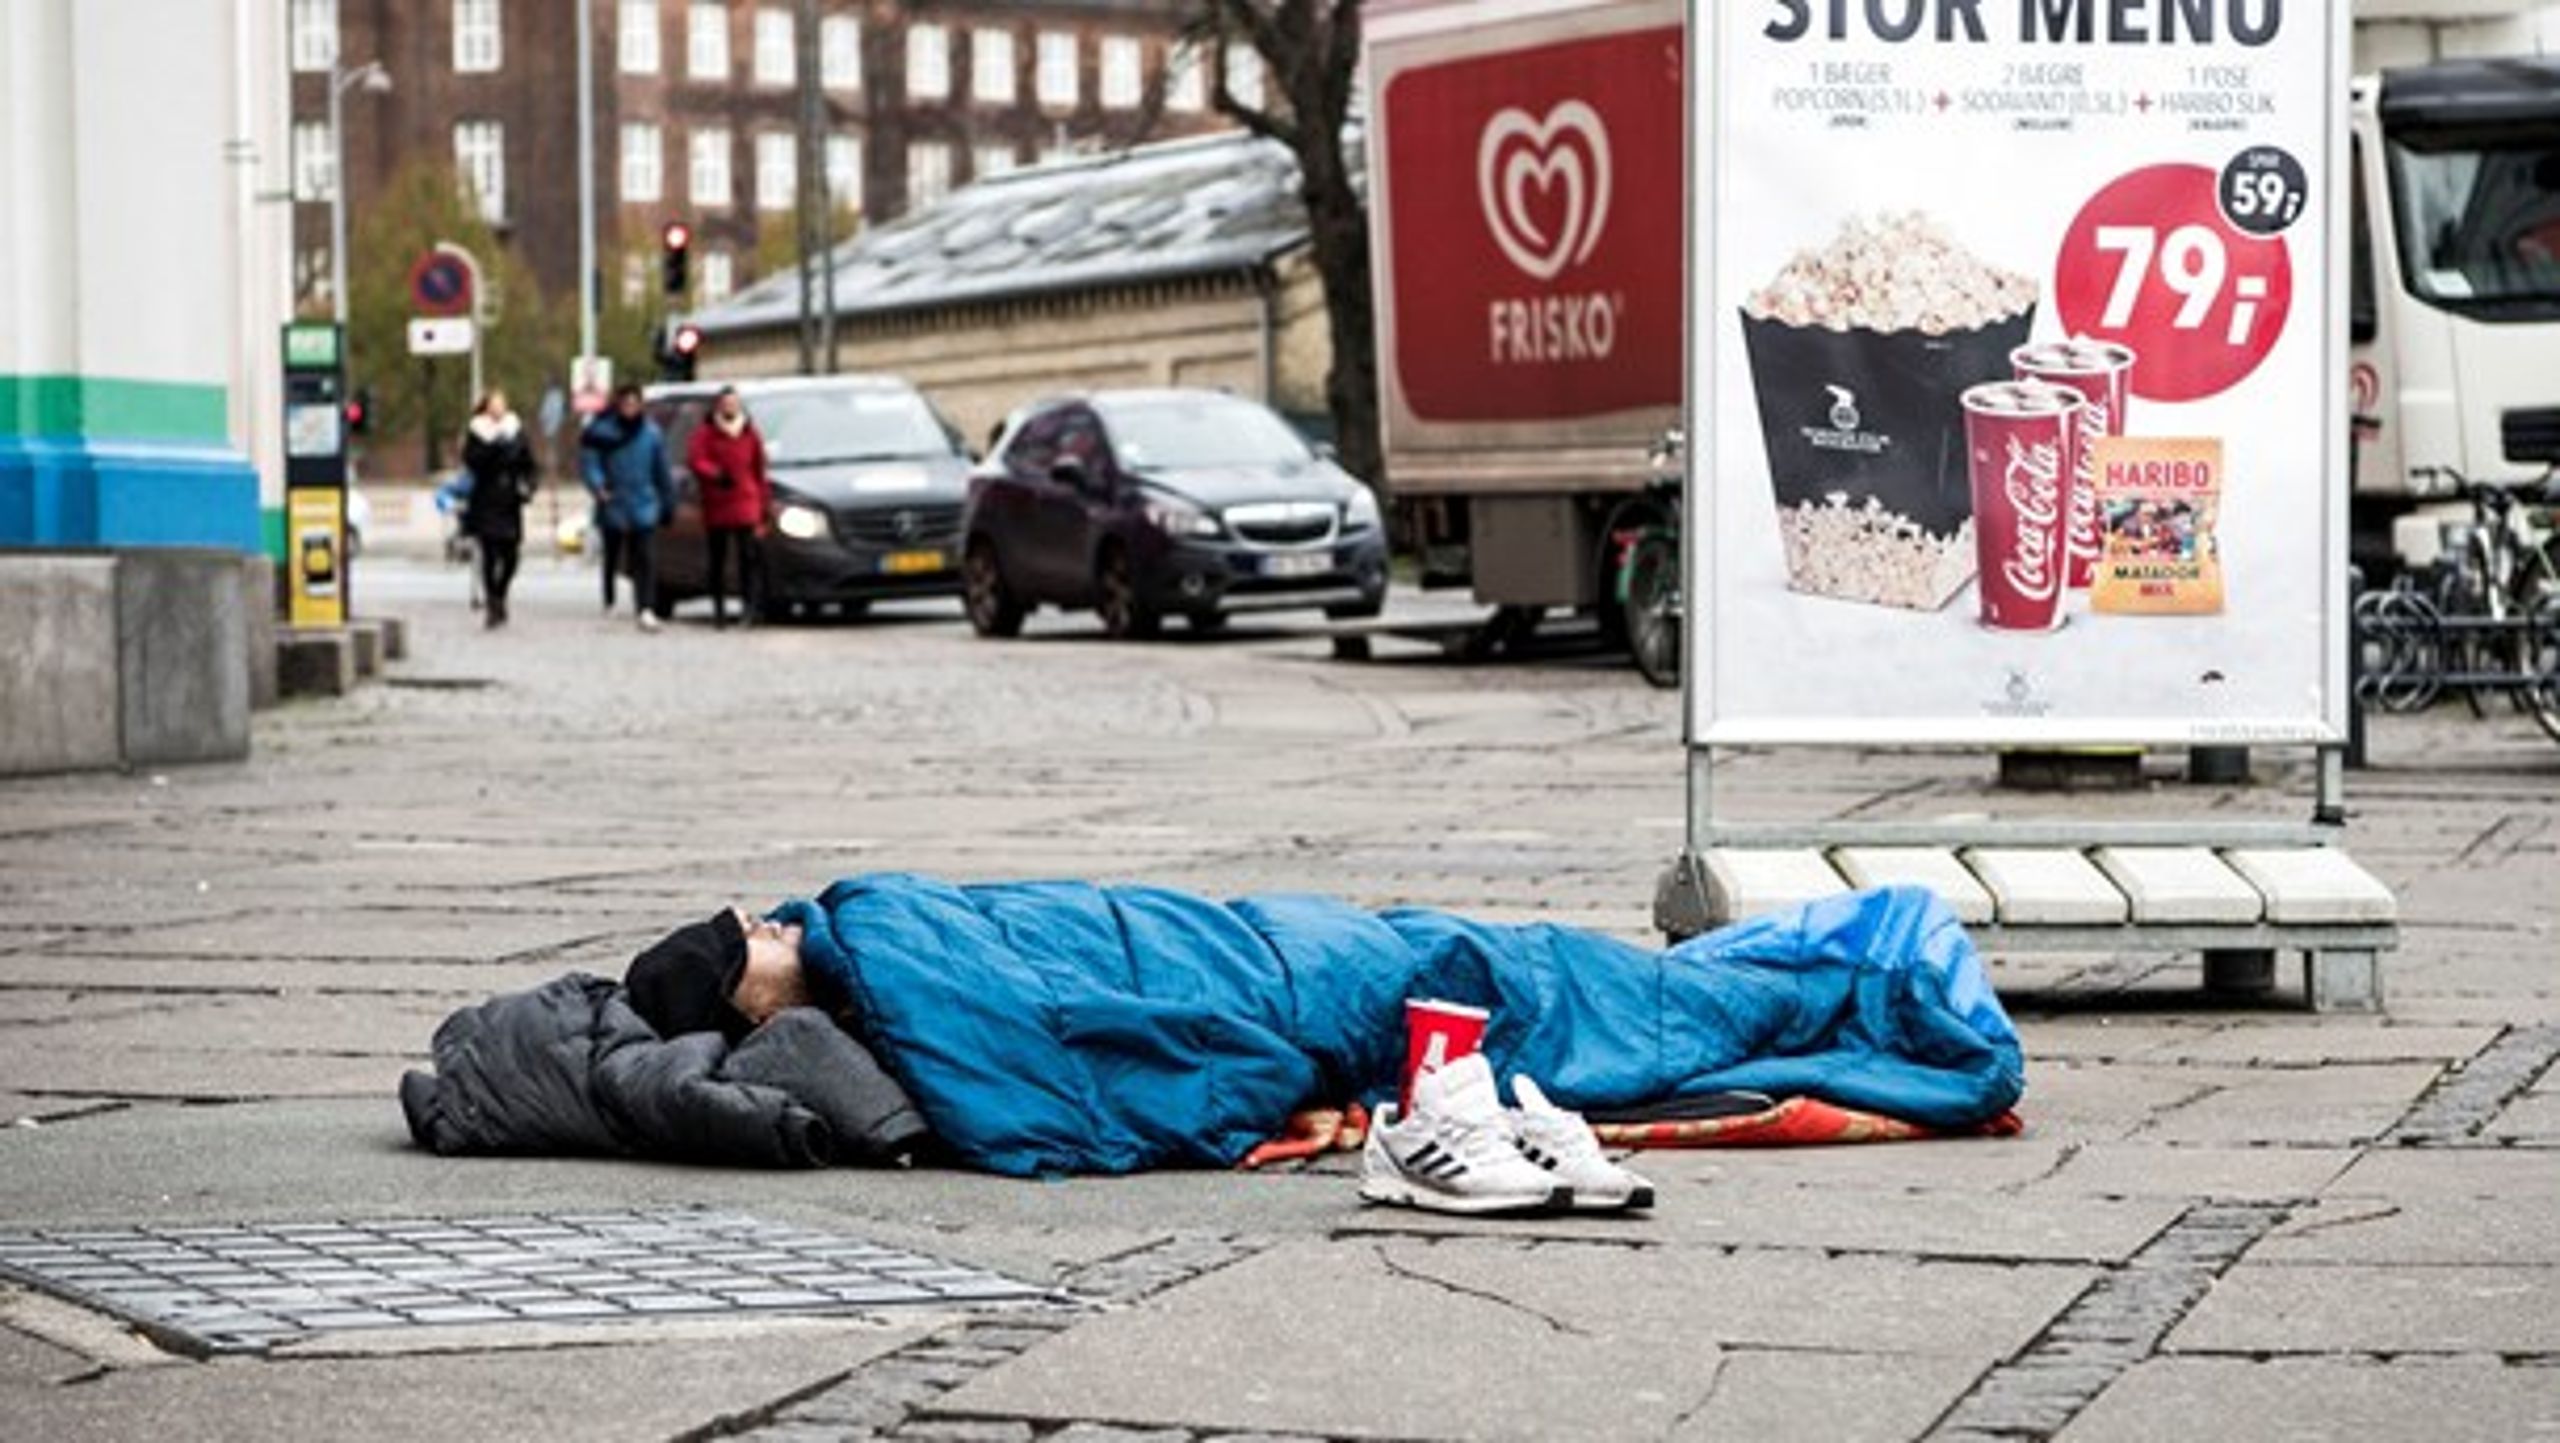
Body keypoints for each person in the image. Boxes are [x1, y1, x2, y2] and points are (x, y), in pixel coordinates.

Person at [580, 384, 675, 632]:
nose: (631, 409)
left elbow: (661, 470)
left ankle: (645, 607)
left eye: (635, 404)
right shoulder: (601, 433)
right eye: (627, 404)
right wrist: (599, 487)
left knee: (645, 558)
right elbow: (591, 463)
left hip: (644, 502)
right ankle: (609, 598)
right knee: (612, 554)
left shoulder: (651, 434)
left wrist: (667, 500)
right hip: (614, 501)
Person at [684, 387, 773, 629]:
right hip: (718, 502)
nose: (730, 408)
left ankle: (750, 608)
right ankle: (719, 609)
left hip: (746, 501)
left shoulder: (750, 433)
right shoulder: (706, 433)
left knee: (748, 558)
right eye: (726, 403)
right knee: (718, 559)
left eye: (734, 403)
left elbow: (760, 470)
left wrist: (764, 507)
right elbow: (696, 460)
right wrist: (715, 474)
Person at [459, 390, 537, 628]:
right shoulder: (477, 431)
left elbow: (529, 463)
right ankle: (493, 602)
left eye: (501, 404)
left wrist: (529, 486)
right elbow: (471, 461)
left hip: (510, 499)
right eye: (493, 404)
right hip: (485, 499)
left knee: (512, 555)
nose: (498, 409)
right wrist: (495, 446)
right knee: (490, 554)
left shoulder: (515, 430)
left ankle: (501, 592)